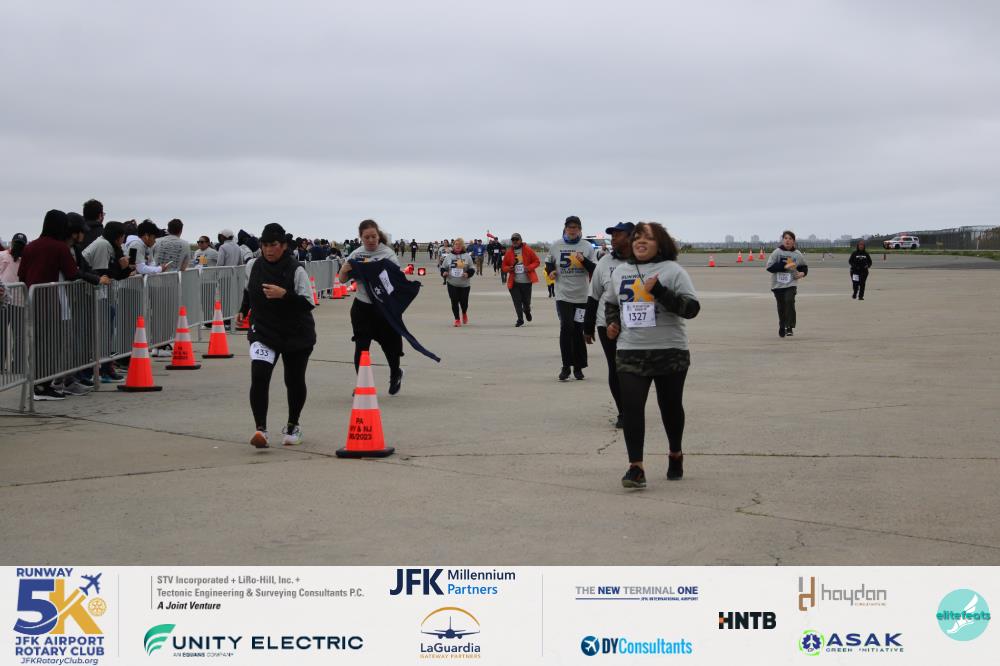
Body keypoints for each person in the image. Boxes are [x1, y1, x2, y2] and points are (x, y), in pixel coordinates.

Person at [604, 222, 700, 488]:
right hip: (630, 350)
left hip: (670, 351)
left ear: (661, 243)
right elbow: (611, 303)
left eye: (648, 237)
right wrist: (612, 323)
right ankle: (636, 467)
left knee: (670, 406)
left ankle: (675, 453)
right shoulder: (621, 271)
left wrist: (659, 291)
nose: (640, 241)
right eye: (637, 237)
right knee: (632, 408)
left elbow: (691, 309)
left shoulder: (673, 271)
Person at [236, 223, 315, 449]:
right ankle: (260, 429)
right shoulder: (253, 265)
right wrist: (243, 309)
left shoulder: (296, 269)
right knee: (259, 376)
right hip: (264, 331)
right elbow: (248, 290)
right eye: (265, 245)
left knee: (294, 380)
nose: (269, 250)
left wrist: (284, 295)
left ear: (283, 246)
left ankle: (293, 426)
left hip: (296, 333)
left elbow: (308, 303)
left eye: (273, 245)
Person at [18, 210, 82, 401]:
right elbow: (72, 273)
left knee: (36, 343)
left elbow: (22, 275)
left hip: (32, 299)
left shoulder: (30, 246)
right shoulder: (60, 247)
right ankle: (42, 386)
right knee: (52, 344)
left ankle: (36, 383)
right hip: (53, 301)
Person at [338, 219, 405, 395]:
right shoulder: (356, 254)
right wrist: (344, 269)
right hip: (362, 307)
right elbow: (342, 280)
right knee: (361, 347)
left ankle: (396, 373)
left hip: (384, 308)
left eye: (373, 236)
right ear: (360, 237)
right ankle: (362, 383)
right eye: (366, 237)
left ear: (378, 235)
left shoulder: (388, 254)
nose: (370, 240)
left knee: (391, 347)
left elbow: (396, 281)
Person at [584, 222, 633, 429]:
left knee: (633, 371)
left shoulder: (643, 261)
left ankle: (633, 407)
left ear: (631, 237)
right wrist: (588, 326)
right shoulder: (604, 262)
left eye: (618, 235)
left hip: (636, 326)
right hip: (607, 324)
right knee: (615, 368)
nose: (613, 238)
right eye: (612, 235)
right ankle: (624, 412)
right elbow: (593, 295)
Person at [545, 216, 597, 380]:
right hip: (563, 295)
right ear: (565, 229)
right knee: (566, 327)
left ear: (580, 229)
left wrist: (584, 260)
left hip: (581, 296)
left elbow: (595, 269)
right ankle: (566, 366)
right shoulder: (556, 245)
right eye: (570, 227)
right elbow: (549, 262)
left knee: (578, 330)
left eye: (575, 227)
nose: (572, 230)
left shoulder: (587, 246)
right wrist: (551, 271)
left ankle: (579, 367)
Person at [765, 230, 808, 338]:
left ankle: (789, 326)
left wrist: (802, 273)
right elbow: (769, 267)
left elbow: (804, 267)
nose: (787, 240)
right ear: (782, 240)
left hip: (791, 283)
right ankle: (782, 325)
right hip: (777, 285)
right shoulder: (777, 252)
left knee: (789, 301)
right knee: (781, 306)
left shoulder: (797, 254)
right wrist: (784, 266)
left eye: (790, 239)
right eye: (785, 238)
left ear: (793, 241)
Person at [501, 233, 540, 327]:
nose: (515, 241)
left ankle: (527, 311)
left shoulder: (528, 250)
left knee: (526, 303)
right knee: (517, 302)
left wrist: (529, 267)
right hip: (514, 282)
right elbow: (503, 267)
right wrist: (509, 268)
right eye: (513, 240)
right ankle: (520, 319)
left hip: (526, 282)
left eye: (516, 239)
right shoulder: (509, 252)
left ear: (521, 240)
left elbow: (537, 261)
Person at [440, 237, 475, 326]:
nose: (457, 246)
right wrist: (444, 272)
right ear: (453, 246)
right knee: (454, 301)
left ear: (462, 246)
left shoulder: (467, 256)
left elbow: (472, 268)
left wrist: (468, 273)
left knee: (464, 302)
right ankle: (457, 319)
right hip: (452, 283)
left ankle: (464, 312)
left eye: (459, 244)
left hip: (464, 284)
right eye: (456, 244)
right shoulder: (449, 256)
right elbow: (443, 267)